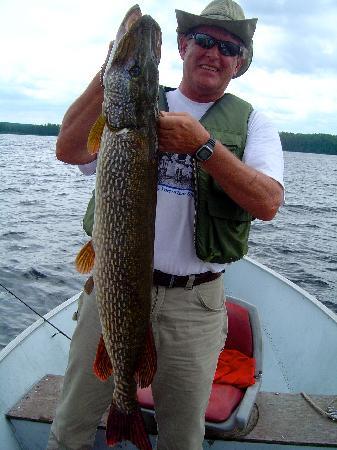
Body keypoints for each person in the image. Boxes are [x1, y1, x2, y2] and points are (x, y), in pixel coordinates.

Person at [47, 0, 284, 449]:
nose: (214, 52)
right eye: (204, 39)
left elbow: (269, 202)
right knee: (72, 424)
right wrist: (110, 70)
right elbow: (69, 149)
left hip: (194, 306)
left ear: (241, 63)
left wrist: (204, 147)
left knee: (182, 438)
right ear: (182, 46)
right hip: (112, 289)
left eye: (229, 47)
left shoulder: (254, 124)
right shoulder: (129, 110)